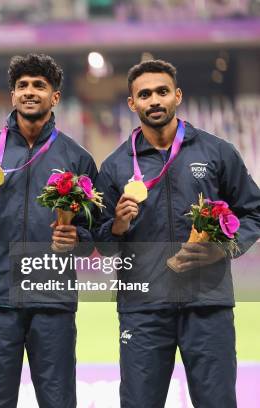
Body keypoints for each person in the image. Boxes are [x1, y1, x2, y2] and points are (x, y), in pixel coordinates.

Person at [94, 59, 260, 407]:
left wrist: (224, 248)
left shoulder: (216, 152)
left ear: (177, 95)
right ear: (132, 103)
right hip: (142, 309)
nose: (154, 100)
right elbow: (103, 243)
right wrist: (118, 226)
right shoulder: (115, 166)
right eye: (145, 94)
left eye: (162, 92)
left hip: (207, 305)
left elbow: (253, 211)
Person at [0, 53, 97, 407]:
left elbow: (94, 235)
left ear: (55, 97)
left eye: (39, 85)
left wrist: (76, 238)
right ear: (12, 95)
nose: (29, 92)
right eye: (22, 86)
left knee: (58, 400)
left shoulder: (78, 159)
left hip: (52, 296)